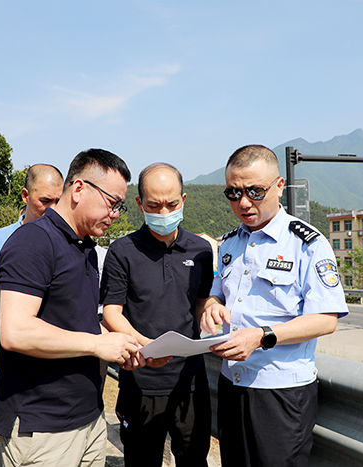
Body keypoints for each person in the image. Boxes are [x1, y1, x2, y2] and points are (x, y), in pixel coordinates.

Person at [0, 148, 143, 467]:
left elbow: (78, 323)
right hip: (44, 427)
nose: (116, 213)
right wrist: (98, 343)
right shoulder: (33, 241)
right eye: (112, 202)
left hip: (88, 416)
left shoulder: (85, 248)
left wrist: (124, 346)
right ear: (78, 189)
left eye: (121, 205)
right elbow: (15, 331)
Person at [201, 144, 349, 467]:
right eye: (233, 192)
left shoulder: (307, 244)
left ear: (279, 186)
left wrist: (262, 335)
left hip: (281, 393)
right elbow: (217, 295)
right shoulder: (228, 243)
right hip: (232, 384)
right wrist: (211, 307)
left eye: (255, 191)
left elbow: (326, 319)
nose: (243, 203)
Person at [100, 163, 214, 467]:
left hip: (190, 382)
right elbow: (112, 312)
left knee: (194, 460)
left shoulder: (201, 250)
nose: (163, 212)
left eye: (172, 204)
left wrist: (212, 312)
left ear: (184, 200)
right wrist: (146, 345)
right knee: (141, 461)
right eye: (154, 205)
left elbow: (202, 302)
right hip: (140, 381)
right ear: (139, 204)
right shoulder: (122, 250)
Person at [0, 164, 65, 394]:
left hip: (59, 362)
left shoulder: (69, 242)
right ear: (25, 195)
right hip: (11, 364)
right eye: (45, 201)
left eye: (58, 201)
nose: (52, 209)